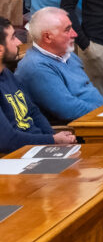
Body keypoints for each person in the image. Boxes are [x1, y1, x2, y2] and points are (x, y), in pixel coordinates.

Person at [15, 7, 103, 124]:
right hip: (77, 127)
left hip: (97, 117)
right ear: (47, 37)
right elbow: (69, 110)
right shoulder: (36, 67)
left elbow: (87, 92)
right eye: (67, 30)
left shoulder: (67, 54)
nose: (75, 34)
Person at [0, 16, 77, 154]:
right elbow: (8, 140)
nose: (19, 42)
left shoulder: (6, 74)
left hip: (38, 147)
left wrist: (52, 139)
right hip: (16, 156)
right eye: (12, 38)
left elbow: (33, 111)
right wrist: (52, 140)